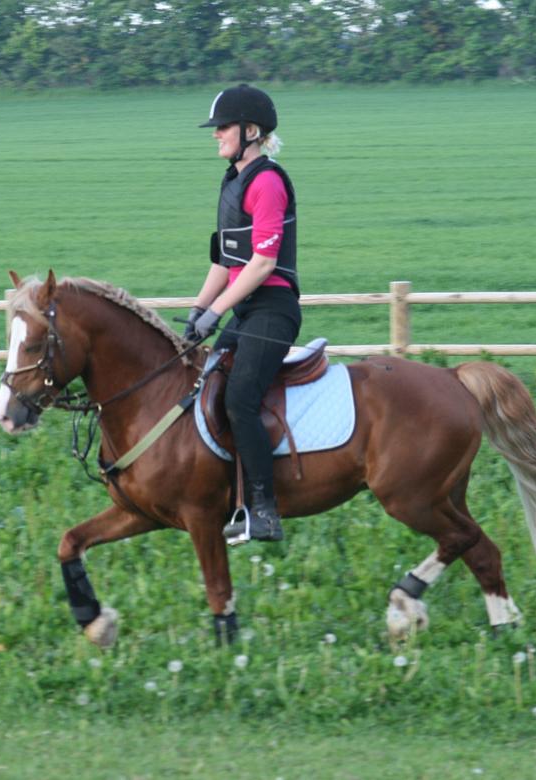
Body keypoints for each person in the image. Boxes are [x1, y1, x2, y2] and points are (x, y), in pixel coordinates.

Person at [184, 84, 301, 544]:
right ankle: (226, 498)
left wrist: (216, 311)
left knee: (239, 399)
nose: (216, 136)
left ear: (251, 132)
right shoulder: (233, 182)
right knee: (204, 383)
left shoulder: (268, 182)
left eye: (223, 128)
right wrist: (196, 310)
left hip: (273, 310)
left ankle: (265, 510)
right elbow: (225, 263)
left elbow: (263, 264)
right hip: (244, 309)